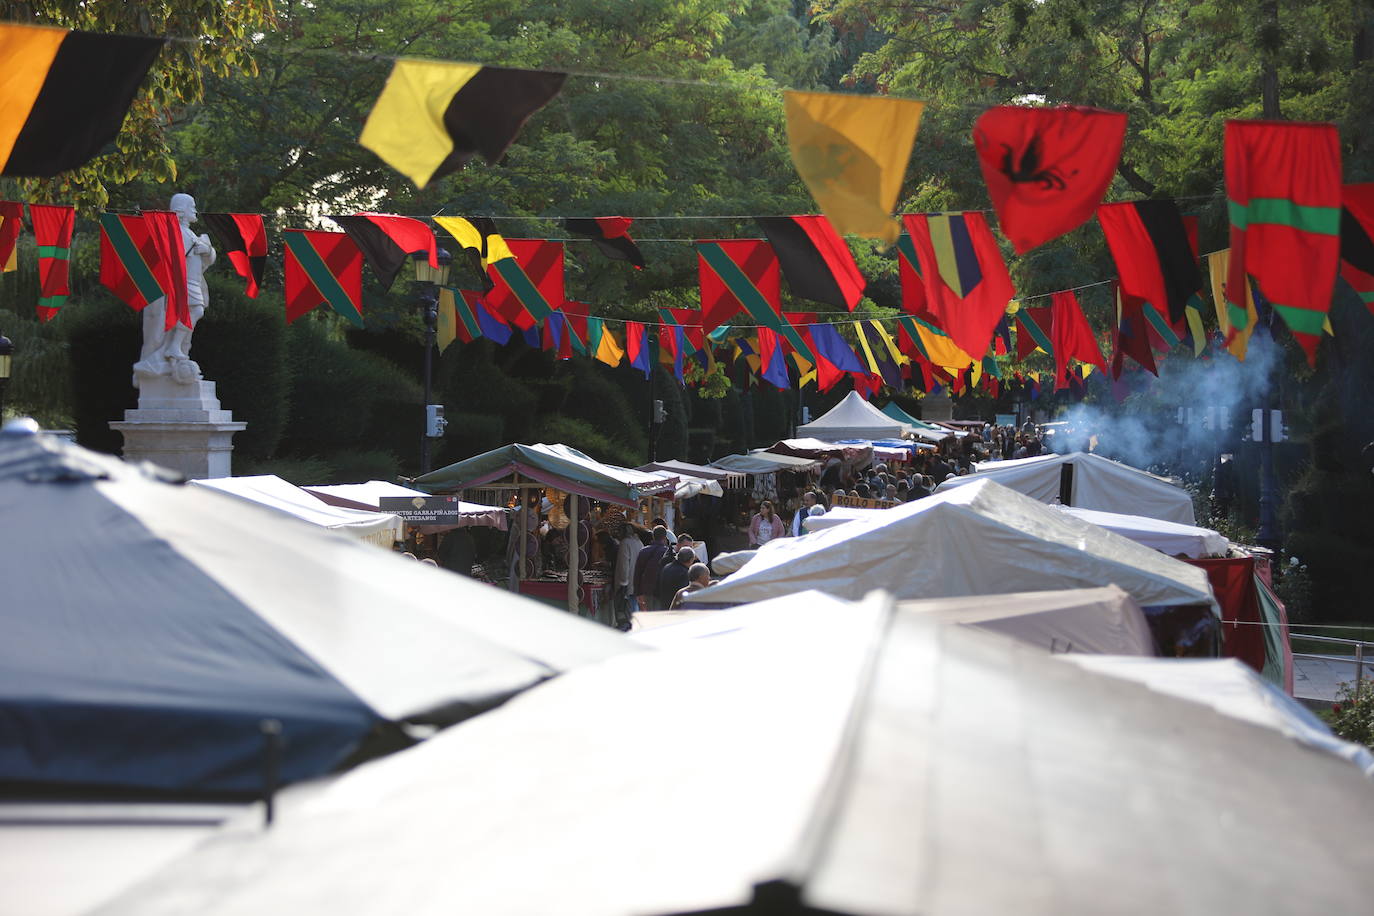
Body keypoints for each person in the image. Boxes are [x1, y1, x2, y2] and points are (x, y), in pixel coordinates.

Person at [133, 192, 217, 386]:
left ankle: (174, 348)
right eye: (192, 206)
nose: (195, 210)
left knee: (194, 311)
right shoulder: (174, 232)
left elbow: (207, 257)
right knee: (193, 311)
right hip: (181, 282)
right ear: (181, 210)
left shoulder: (190, 232)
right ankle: (172, 348)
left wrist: (208, 250)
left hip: (193, 281)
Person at [633, 526, 672, 610]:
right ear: (665, 537)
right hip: (662, 590)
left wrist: (638, 592)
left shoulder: (643, 551)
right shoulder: (667, 552)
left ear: (653, 536)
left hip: (646, 589)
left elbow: (637, 573)